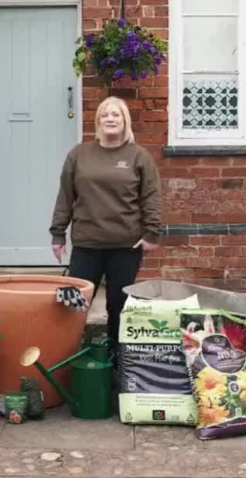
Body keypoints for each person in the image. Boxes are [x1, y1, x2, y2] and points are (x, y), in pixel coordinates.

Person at [49, 96, 162, 352]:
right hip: (87, 244)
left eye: (116, 115)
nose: (110, 119)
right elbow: (66, 195)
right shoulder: (79, 154)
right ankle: (68, 359)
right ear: (98, 121)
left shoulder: (139, 157)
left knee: (118, 305)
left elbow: (151, 197)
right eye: (104, 115)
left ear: (125, 121)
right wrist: (58, 233)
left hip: (125, 245)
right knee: (74, 304)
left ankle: (115, 362)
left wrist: (152, 233)